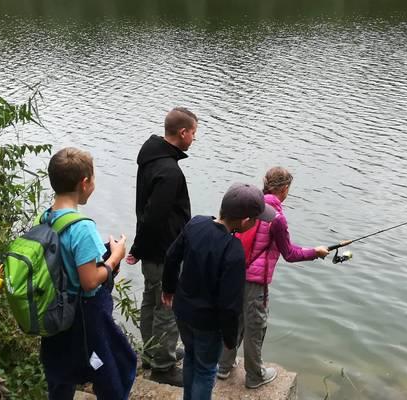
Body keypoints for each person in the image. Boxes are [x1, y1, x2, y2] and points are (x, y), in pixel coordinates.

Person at [217, 167, 329, 389]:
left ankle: (223, 365)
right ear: (285, 189)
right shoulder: (277, 219)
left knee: (234, 319)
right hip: (256, 283)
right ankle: (254, 376)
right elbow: (289, 254)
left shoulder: (247, 205)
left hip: (234, 275)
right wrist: (315, 252)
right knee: (255, 327)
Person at [162, 183, 276, 400]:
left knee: (191, 358)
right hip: (208, 323)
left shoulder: (196, 223)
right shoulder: (233, 250)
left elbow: (171, 257)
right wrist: (230, 338)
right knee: (206, 370)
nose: (256, 223)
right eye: (256, 219)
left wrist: (168, 289)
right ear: (245, 221)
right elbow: (229, 304)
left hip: (183, 312)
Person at [38, 147, 136, 399]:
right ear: (84, 183)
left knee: (60, 374)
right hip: (84, 318)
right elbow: (90, 281)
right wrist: (115, 256)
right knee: (118, 367)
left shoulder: (47, 218)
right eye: (93, 179)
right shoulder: (82, 228)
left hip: (57, 312)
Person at [126, 107, 198, 386]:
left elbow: (146, 211)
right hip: (166, 251)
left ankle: (152, 352)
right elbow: (155, 216)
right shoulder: (169, 171)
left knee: (150, 300)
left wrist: (138, 248)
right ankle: (163, 366)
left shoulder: (151, 158)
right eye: (193, 133)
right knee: (167, 305)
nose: (194, 138)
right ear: (182, 133)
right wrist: (138, 247)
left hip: (152, 249)